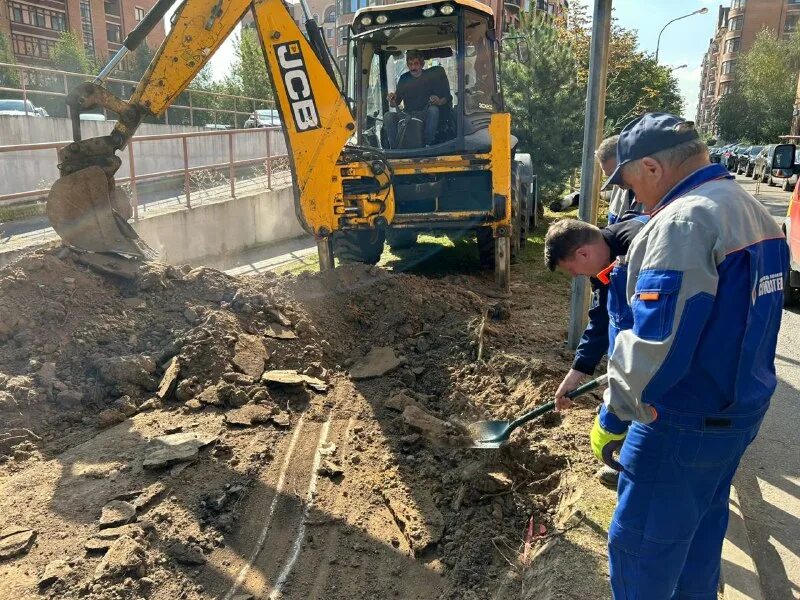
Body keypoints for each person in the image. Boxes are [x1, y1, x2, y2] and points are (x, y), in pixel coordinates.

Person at [588, 112, 787, 599]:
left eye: (629, 182)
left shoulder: (684, 221)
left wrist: (614, 412)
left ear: (652, 167)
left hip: (681, 420)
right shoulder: (749, 209)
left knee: (639, 551)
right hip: (736, 413)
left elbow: (659, 343)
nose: (631, 197)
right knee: (698, 539)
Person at [545, 208, 648, 489]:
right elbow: (600, 320)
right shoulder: (605, 265)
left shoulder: (645, 247)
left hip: (652, 366)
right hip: (629, 365)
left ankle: (641, 475)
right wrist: (575, 374)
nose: (576, 275)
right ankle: (630, 465)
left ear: (582, 254)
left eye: (571, 270)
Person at [385, 50, 452, 147]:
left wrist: (439, 101)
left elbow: (447, 98)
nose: (413, 67)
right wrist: (391, 99)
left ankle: (426, 144)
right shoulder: (404, 79)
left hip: (424, 113)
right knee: (388, 116)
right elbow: (395, 103)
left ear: (422, 64)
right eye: (410, 64)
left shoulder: (431, 77)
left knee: (434, 110)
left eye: (416, 64)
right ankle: (395, 148)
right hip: (407, 114)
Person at [596, 135, 642, 223]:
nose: (615, 182)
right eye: (610, 178)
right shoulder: (619, 187)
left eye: (617, 175)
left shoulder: (659, 197)